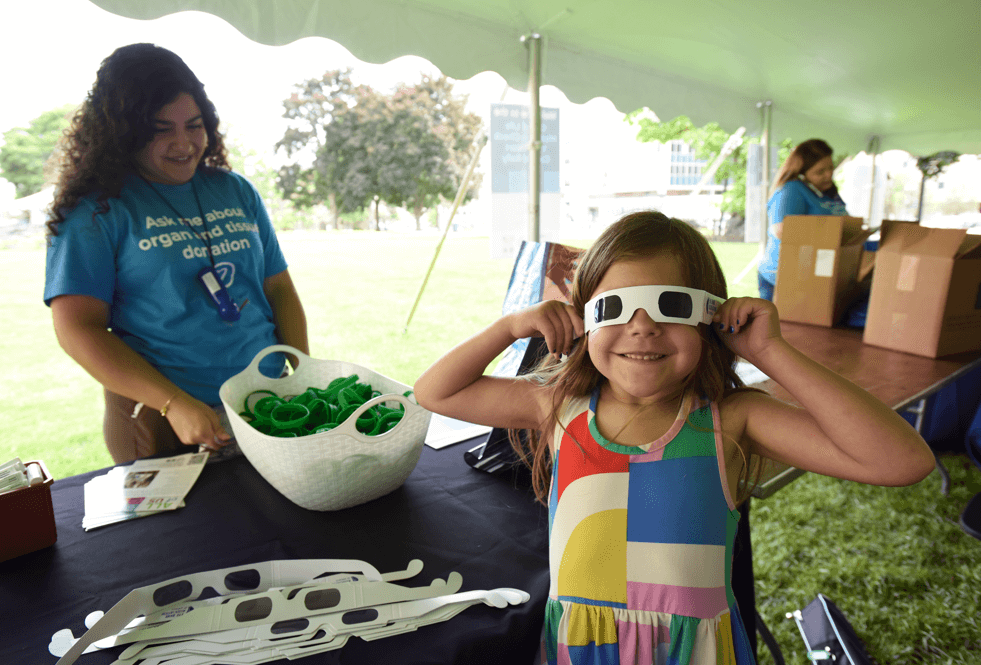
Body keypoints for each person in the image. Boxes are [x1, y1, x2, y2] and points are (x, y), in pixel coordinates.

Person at [414, 211, 934, 664]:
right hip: (581, 648)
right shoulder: (557, 407)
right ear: (584, 320)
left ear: (710, 317)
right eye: (615, 308)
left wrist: (771, 353)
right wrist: (510, 328)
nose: (642, 327)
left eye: (670, 305)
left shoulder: (733, 420)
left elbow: (901, 461)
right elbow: (435, 392)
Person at [44, 44, 309, 464]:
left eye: (194, 124)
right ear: (123, 132)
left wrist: (303, 371)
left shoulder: (235, 190)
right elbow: (77, 329)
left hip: (269, 405)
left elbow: (277, 288)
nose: (183, 143)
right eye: (160, 129)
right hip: (171, 424)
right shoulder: (97, 211)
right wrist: (174, 404)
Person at [757, 139, 849, 301]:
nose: (828, 175)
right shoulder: (792, 189)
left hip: (817, 276)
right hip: (783, 277)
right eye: (820, 172)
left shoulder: (828, 193)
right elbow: (780, 229)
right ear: (801, 174)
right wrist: (827, 234)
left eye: (830, 168)